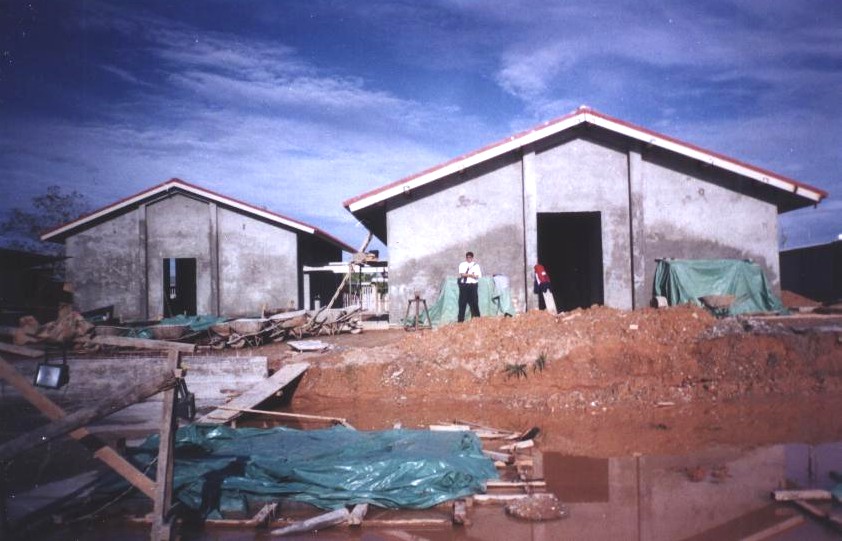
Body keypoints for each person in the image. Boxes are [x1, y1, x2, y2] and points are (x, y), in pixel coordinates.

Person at [457, 251, 481, 322]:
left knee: (474, 302)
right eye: (467, 257)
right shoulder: (462, 264)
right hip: (464, 285)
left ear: (472, 258)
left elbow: (477, 276)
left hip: (473, 285)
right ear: (466, 258)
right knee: (462, 303)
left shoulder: (476, 265)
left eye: (470, 257)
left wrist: (469, 275)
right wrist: (471, 275)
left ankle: (477, 318)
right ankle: (460, 320)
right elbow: (462, 274)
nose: (469, 259)